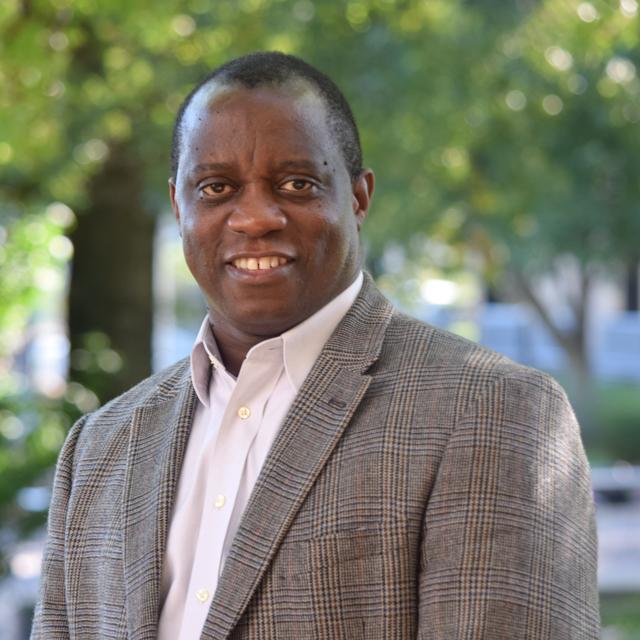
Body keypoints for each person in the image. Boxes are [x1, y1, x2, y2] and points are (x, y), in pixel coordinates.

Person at [31, 51, 599, 639]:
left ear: (357, 198)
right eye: (216, 187)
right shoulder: (100, 446)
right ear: (179, 205)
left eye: (296, 183)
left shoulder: (493, 411)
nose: (255, 217)